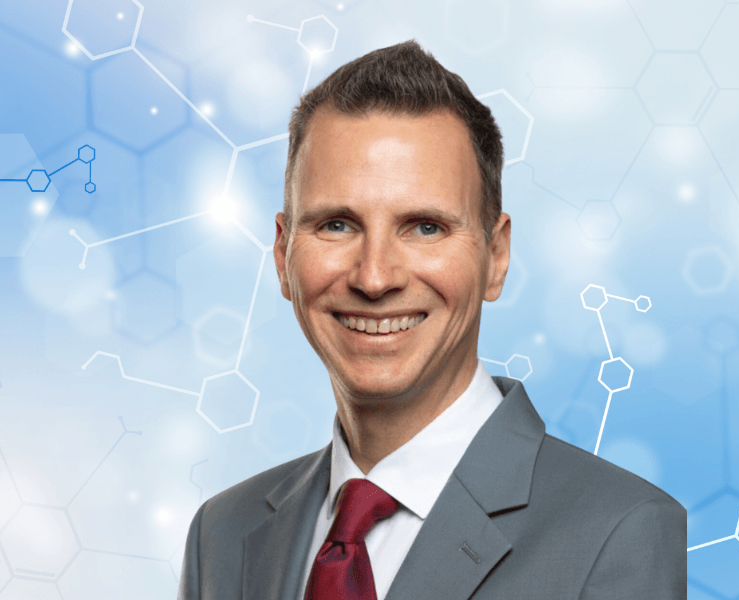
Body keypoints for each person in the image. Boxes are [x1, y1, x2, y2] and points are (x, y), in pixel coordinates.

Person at [177, 39, 686, 600]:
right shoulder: (222, 535)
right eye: (337, 225)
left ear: (496, 258)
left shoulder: (618, 533)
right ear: (282, 254)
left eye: (425, 227)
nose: (374, 278)